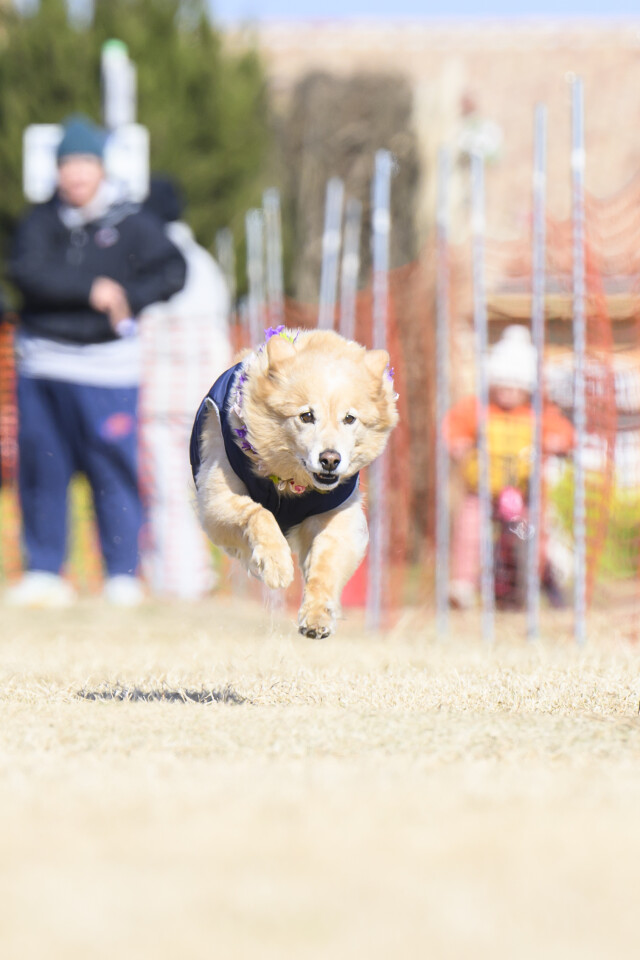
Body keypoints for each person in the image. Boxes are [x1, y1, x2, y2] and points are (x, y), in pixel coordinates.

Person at [6, 116, 187, 607]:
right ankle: (44, 569)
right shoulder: (39, 223)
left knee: (113, 469)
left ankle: (121, 573)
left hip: (109, 371)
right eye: (67, 163)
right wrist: (92, 290)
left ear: (101, 168)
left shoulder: (131, 223)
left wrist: (129, 296)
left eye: (84, 162)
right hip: (42, 365)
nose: (76, 173)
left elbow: (174, 270)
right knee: (44, 470)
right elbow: (26, 274)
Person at [138, 176, 232, 599]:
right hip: (208, 398)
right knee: (198, 488)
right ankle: (194, 576)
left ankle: (176, 581)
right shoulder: (205, 263)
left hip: (160, 397)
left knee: (164, 492)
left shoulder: (150, 259)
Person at [443, 325, 574, 610]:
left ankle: (533, 581)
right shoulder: (477, 408)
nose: (509, 393)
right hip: (483, 490)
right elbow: (453, 426)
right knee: (469, 525)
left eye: (516, 387)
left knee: (534, 531)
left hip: (526, 492)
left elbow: (564, 433)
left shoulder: (539, 413)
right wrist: (457, 444)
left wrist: (557, 442)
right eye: (503, 386)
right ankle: (462, 585)